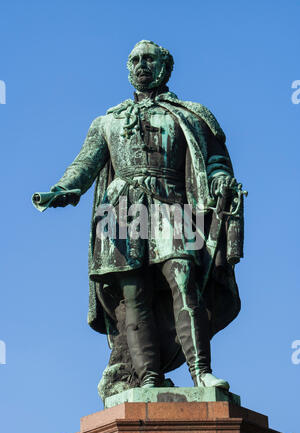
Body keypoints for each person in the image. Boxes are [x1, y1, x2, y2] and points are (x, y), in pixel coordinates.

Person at [47, 40, 245, 392]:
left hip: (174, 204)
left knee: (183, 279)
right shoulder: (107, 120)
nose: (142, 65)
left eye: (149, 59)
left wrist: (220, 178)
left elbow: (214, 160)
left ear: (165, 68)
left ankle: (202, 373)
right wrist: (65, 189)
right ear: (128, 69)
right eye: (135, 60)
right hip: (120, 209)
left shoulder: (191, 114)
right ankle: (148, 378)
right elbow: (85, 164)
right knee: (132, 294)